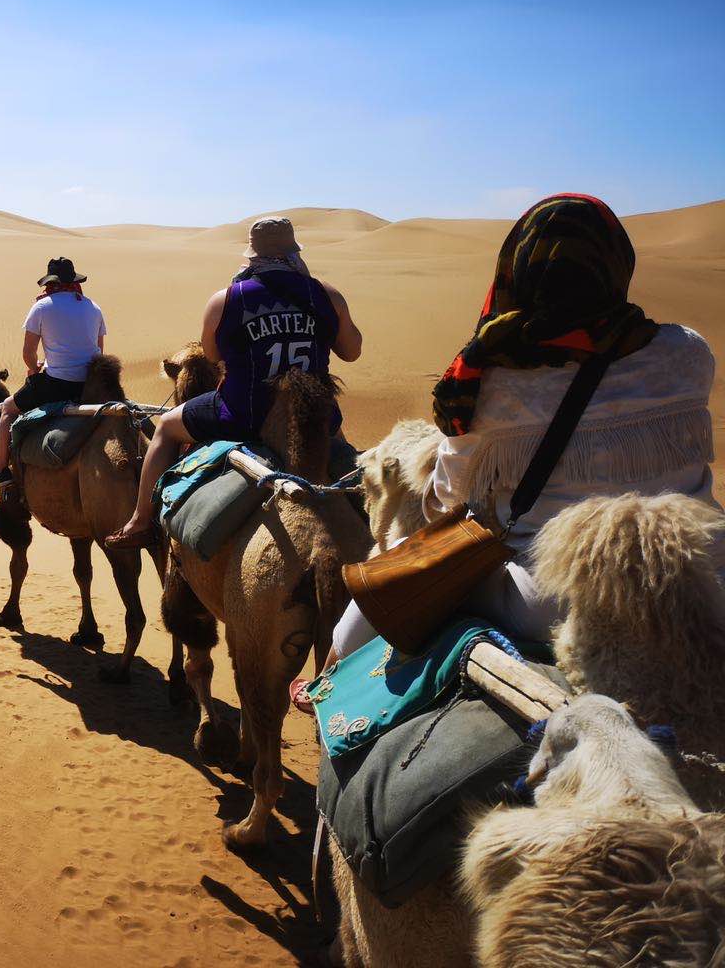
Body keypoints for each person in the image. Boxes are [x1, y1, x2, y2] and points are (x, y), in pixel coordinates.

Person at [330, 192, 717, 662]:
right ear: (617, 264)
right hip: (702, 576)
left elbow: (442, 505)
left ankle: (328, 674)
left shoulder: (488, 381)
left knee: (385, 596)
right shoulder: (689, 353)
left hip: (558, 599)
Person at [104, 216, 362, 548]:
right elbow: (351, 351)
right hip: (313, 419)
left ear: (252, 255)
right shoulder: (326, 294)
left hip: (242, 415)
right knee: (343, 452)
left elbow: (212, 355)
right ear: (294, 252)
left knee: (167, 426)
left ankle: (140, 521)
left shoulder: (227, 298)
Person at [0, 257, 107, 492]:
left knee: (7, 409)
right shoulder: (94, 307)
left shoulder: (41, 307)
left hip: (57, 383)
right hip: (91, 385)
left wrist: (36, 369)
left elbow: (28, 353)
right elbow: (99, 353)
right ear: (74, 281)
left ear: (50, 283)